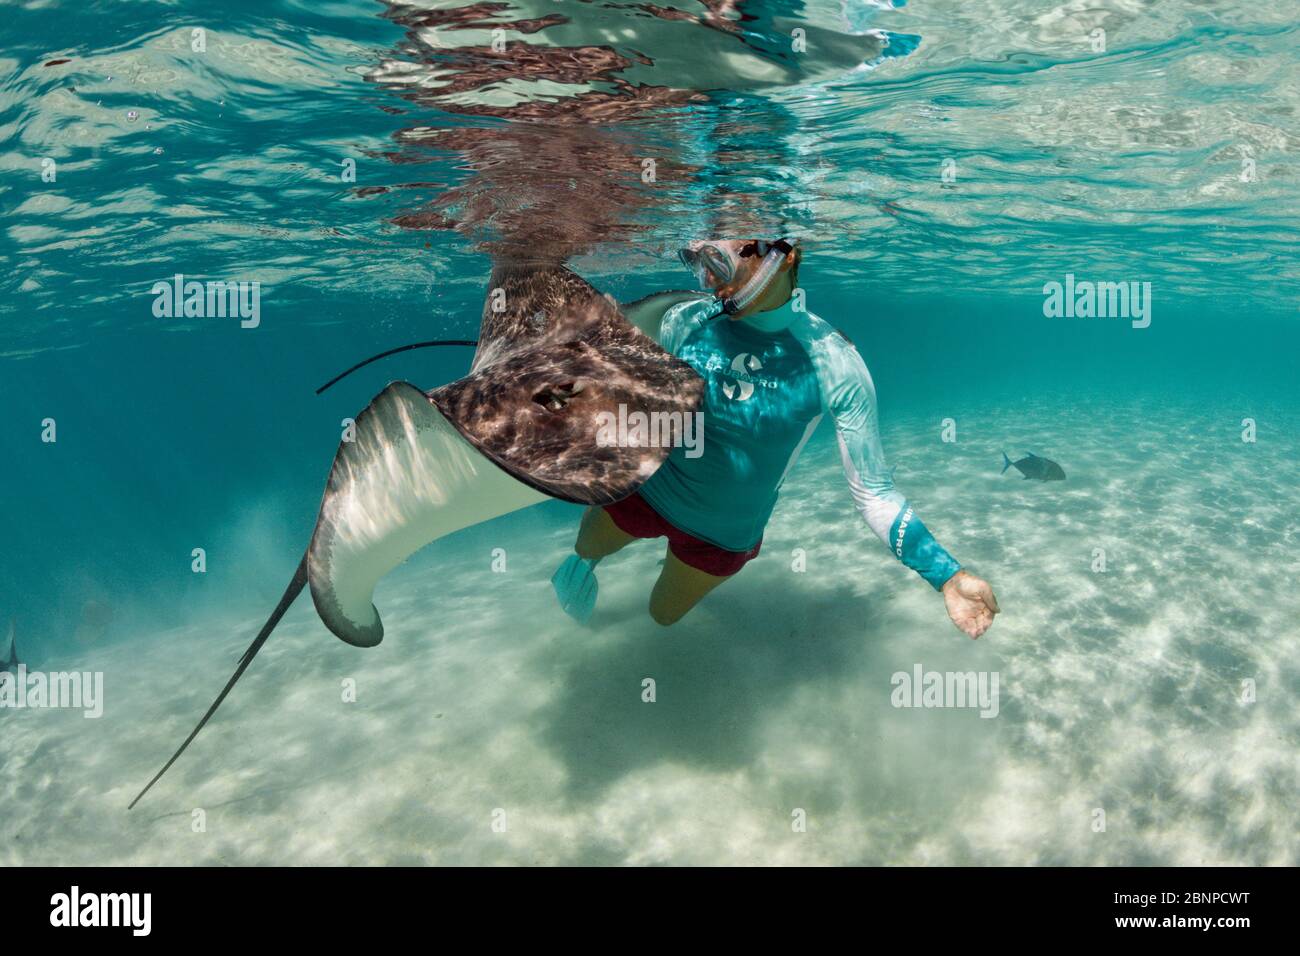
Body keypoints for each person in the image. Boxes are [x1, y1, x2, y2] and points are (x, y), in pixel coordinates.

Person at [552, 237, 999, 638]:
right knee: (584, 546)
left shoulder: (833, 363)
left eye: (720, 263)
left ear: (781, 257)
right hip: (646, 491)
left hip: (721, 536)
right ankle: (585, 563)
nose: (711, 282)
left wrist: (947, 575)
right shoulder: (684, 320)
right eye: (699, 264)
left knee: (661, 615)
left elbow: (874, 493)